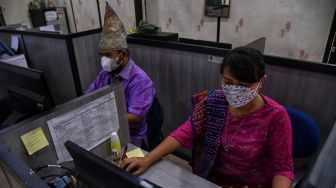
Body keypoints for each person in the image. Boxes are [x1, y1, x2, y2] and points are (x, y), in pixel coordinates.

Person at [121, 47, 294, 187]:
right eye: (229, 82)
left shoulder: (275, 116)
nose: (235, 89)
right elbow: (185, 132)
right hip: (209, 179)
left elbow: (283, 169)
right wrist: (148, 159)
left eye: (244, 85)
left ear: (262, 82)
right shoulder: (214, 102)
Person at [85, 3, 155, 148]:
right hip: (106, 132)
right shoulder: (106, 73)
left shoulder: (140, 80)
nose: (104, 60)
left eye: (108, 55)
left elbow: (136, 116)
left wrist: (102, 117)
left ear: (123, 54)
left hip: (131, 137)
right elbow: (89, 96)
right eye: (101, 55)